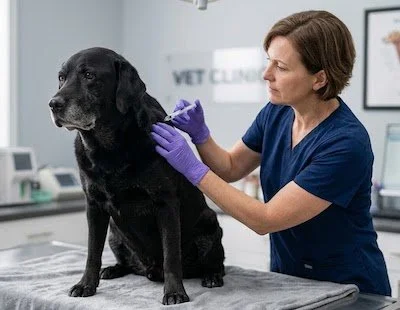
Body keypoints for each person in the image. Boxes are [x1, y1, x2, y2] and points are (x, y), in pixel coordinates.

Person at [150, 10, 391, 296]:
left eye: (281, 67)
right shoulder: (276, 113)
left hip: (350, 289)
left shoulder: (346, 143)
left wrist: (192, 168)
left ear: (319, 79)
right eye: (269, 62)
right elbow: (229, 167)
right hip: (289, 280)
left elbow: (265, 219)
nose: (267, 75)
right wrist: (201, 137)